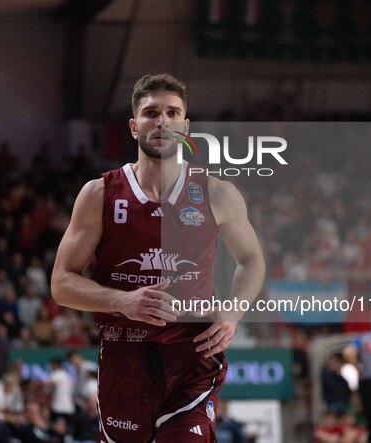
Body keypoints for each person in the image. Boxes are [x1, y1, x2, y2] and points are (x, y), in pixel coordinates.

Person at [51, 73, 265, 442]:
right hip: (124, 354)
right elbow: (61, 283)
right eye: (151, 113)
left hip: (192, 356)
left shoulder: (216, 192)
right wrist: (123, 300)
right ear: (134, 127)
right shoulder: (99, 193)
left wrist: (233, 313)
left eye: (172, 112)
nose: (162, 121)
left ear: (185, 126)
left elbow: (252, 260)